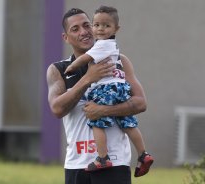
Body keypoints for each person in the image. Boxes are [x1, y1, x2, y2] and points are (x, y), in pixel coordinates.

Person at [47, 7, 150, 184]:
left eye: (87, 25)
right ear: (65, 37)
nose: (84, 32)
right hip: (77, 164)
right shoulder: (59, 69)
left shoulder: (119, 60)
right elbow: (57, 109)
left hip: (115, 162)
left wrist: (103, 110)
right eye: (75, 29)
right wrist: (88, 78)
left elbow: (140, 103)